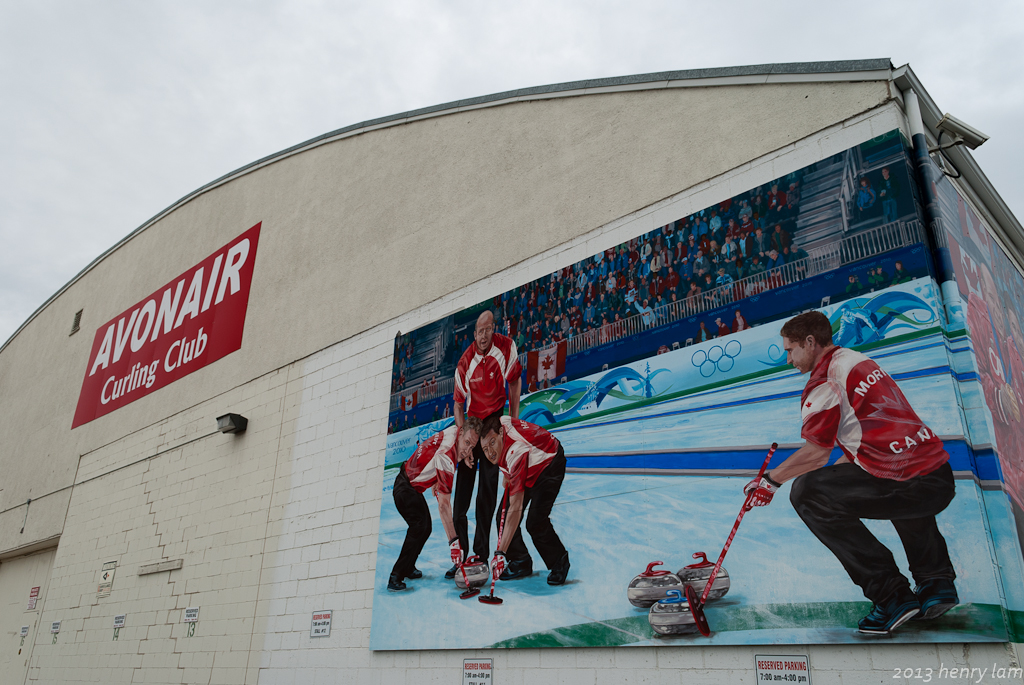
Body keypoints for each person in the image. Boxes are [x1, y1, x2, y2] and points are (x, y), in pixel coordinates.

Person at [745, 311, 957, 635]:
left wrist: (770, 481)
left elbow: (816, 453)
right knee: (895, 471)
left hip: (906, 480)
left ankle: (891, 596)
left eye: (790, 350)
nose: (788, 359)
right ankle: (935, 584)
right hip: (939, 476)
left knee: (808, 492)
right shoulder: (858, 361)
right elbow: (861, 450)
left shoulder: (824, 378)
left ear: (810, 342)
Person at [448, 311, 524, 580]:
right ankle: (461, 558)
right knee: (461, 502)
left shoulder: (505, 347)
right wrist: (463, 442)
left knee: (486, 499)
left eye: (487, 330)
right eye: (479, 332)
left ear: (493, 329)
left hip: (493, 424)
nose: (483, 336)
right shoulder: (464, 362)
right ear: (474, 334)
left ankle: (480, 555)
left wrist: (512, 422)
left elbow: (514, 382)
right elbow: (458, 404)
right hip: (472, 424)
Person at [388, 418, 484, 591]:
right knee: (418, 527)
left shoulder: (456, 431)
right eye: (467, 443)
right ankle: (396, 575)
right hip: (405, 489)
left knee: (425, 527)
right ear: (461, 433)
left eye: (472, 447)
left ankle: (408, 567)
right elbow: (444, 506)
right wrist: (454, 543)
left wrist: (436, 479)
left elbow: (436, 452)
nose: (467, 450)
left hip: (409, 484)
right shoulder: (447, 457)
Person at [478, 415, 571, 586]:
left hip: (549, 464)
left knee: (535, 522)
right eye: (485, 449)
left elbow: (516, 507)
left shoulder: (515, 451)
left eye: (492, 443)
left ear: (500, 434)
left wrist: (500, 552)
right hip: (527, 463)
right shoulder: (502, 423)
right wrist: (507, 474)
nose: (490, 452)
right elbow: (502, 449)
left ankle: (559, 561)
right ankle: (521, 561)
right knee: (502, 518)